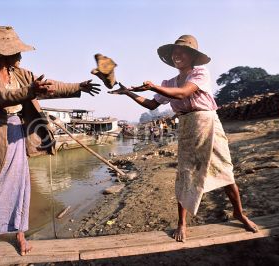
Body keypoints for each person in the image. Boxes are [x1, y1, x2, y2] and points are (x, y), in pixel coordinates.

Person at [0, 26, 100, 258]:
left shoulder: (22, 74)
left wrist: (77, 87)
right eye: (16, 52)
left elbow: (49, 87)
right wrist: (28, 91)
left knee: (19, 187)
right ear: (2, 52)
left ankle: (20, 234)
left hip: (17, 135)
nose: (20, 56)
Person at [109, 34, 258, 242]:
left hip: (209, 125)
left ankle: (239, 213)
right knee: (185, 174)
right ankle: (182, 223)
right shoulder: (169, 82)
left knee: (224, 169)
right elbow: (152, 104)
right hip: (188, 128)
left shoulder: (200, 73)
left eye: (182, 52)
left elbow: (182, 93)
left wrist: (153, 87)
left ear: (192, 56)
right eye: (174, 53)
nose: (177, 55)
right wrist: (128, 93)